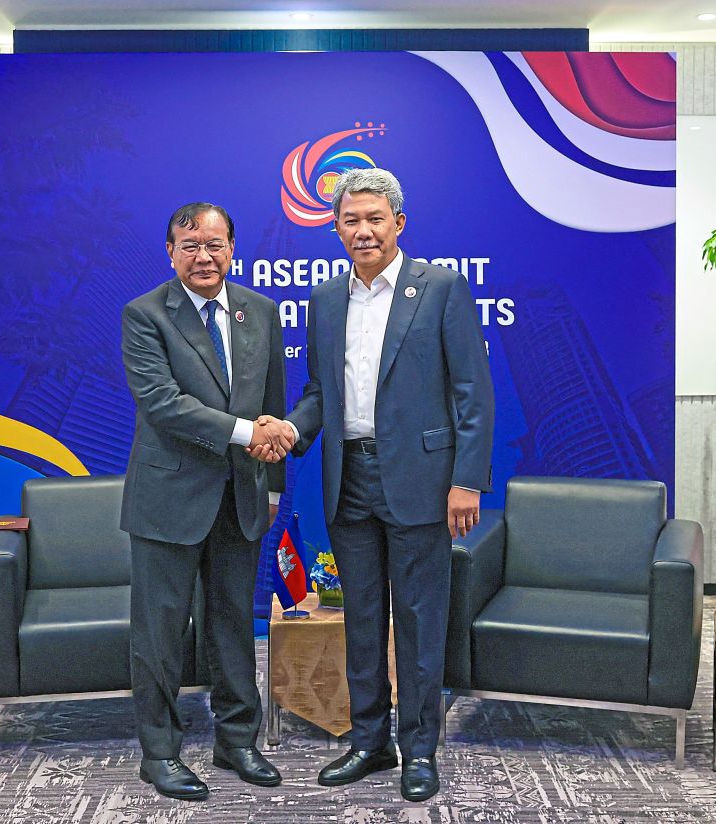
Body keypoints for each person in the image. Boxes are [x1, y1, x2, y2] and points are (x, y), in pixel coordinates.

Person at [254, 168, 494, 802]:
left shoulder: (440, 289)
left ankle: (419, 750)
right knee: (360, 619)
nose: (363, 231)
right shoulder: (326, 300)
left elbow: (472, 392)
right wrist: (287, 429)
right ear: (335, 229)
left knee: (418, 620)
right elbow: (318, 395)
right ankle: (369, 742)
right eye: (350, 221)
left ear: (398, 225)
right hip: (348, 477)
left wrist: (467, 480)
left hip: (422, 479)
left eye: (374, 219)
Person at [120, 202, 294, 801]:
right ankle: (160, 752)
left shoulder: (260, 312)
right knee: (161, 632)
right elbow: (163, 405)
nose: (204, 256)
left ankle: (237, 741)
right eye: (190, 246)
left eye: (215, 245)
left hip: (241, 497)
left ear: (232, 249)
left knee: (232, 625)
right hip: (168, 499)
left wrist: (271, 487)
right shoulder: (145, 315)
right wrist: (248, 434)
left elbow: (273, 399)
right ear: (171, 252)